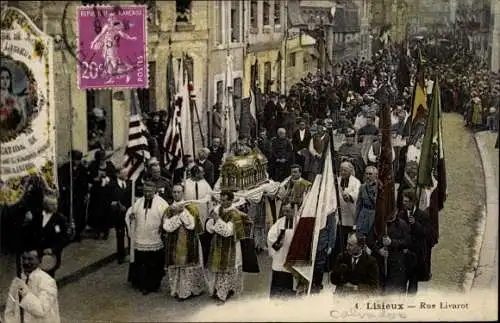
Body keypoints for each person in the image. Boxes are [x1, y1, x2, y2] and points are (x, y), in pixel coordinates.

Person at [205, 191, 251, 304]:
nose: (222, 202)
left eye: (224, 200)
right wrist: (213, 222)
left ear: (231, 200)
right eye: (221, 200)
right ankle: (218, 291)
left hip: (231, 246)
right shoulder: (218, 210)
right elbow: (209, 228)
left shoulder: (235, 214)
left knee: (226, 270)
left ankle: (223, 295)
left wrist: (217, 220)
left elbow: (228, 232)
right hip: (217, 244)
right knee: (217, 269)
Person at [163, 184, 207, 300]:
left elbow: (192, 225)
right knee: (176, 265)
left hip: (189, 241)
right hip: (174, 242)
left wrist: (182, 212)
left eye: (178, 192)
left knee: (188, 265)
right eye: (174, 192)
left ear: (183, 193)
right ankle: (178, 290)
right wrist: (177, 215)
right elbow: (167, 226)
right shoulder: (169, 209)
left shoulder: (191, 207)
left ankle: (191, 289)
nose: (176, 194)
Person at [126, 180, 168, 295]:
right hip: (141, 237)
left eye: (149, 191)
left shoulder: (161, 203)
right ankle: (143, 285)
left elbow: (167, 217)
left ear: (155, 190)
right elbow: (130, 213)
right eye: (145, 191)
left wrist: (163, 226)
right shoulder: (139, 202)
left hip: (154, 237)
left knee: (154, 263)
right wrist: (131, 216)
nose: (147, 194)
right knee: (142, 263)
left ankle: (154, 284)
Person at [21, 191, 70, 278]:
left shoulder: (61, 219)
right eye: (52, 204)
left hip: (49, 257)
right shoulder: (37, 216)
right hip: (35, 255)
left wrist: (53, 249)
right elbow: (29, 233)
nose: (55, 207)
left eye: (56, 204)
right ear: (45, 205)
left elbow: (64, 238)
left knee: (47, 280)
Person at [4, 248, 61, 323]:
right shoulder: (16, 281)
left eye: (30, 259)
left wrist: (25, 293)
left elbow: (41, 310)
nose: (26, 262)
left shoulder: (47, 282)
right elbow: (9, 310)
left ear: (39, 260)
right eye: (24, 258)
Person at [398, 189, 436, 294]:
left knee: (413, 284)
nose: (404, 203)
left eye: (406, 201)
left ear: (412, 202)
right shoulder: (401, 215)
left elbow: (427, 233)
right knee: (401, 283)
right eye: (403, 201)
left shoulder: (422, 216)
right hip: (404, 255)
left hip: (416, 255)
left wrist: (416, 224)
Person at [332, 162, 361, 260]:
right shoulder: (336, 180)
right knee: (338, 241)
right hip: (338, 214)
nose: (342, 172)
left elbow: (357, 193)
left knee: (348, 240)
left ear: (350, 170)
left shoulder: (356, 182)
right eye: (341, 170)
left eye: (345, 170)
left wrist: (350, 196)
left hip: (350, 215)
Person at [267, 204, 297, 299]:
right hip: (280, 256)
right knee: (278, 281)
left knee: (289, 284)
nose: (285, 213)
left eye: (288, 211)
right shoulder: (280, 222)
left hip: (291, 257)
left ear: (294, 210)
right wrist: (279, 242)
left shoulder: (299, 221)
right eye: (284, 211)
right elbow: (270, 236)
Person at [108, 168, 132, 264]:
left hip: (129, 212)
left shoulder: (129, 184)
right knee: (120, 234)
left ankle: (131, 252)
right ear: (118, 174)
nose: (127, 175)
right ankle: (120, 256)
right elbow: (109, 199)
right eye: (124, 173)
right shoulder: (112, 185)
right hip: (118, 214)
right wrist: (116, 204)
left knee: (131, 233)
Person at [0, 66, 27, 132]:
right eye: (2, 78)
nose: (5, 81)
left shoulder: (17, 99)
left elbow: (24, 120)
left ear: (10, 80)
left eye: (7, 78)